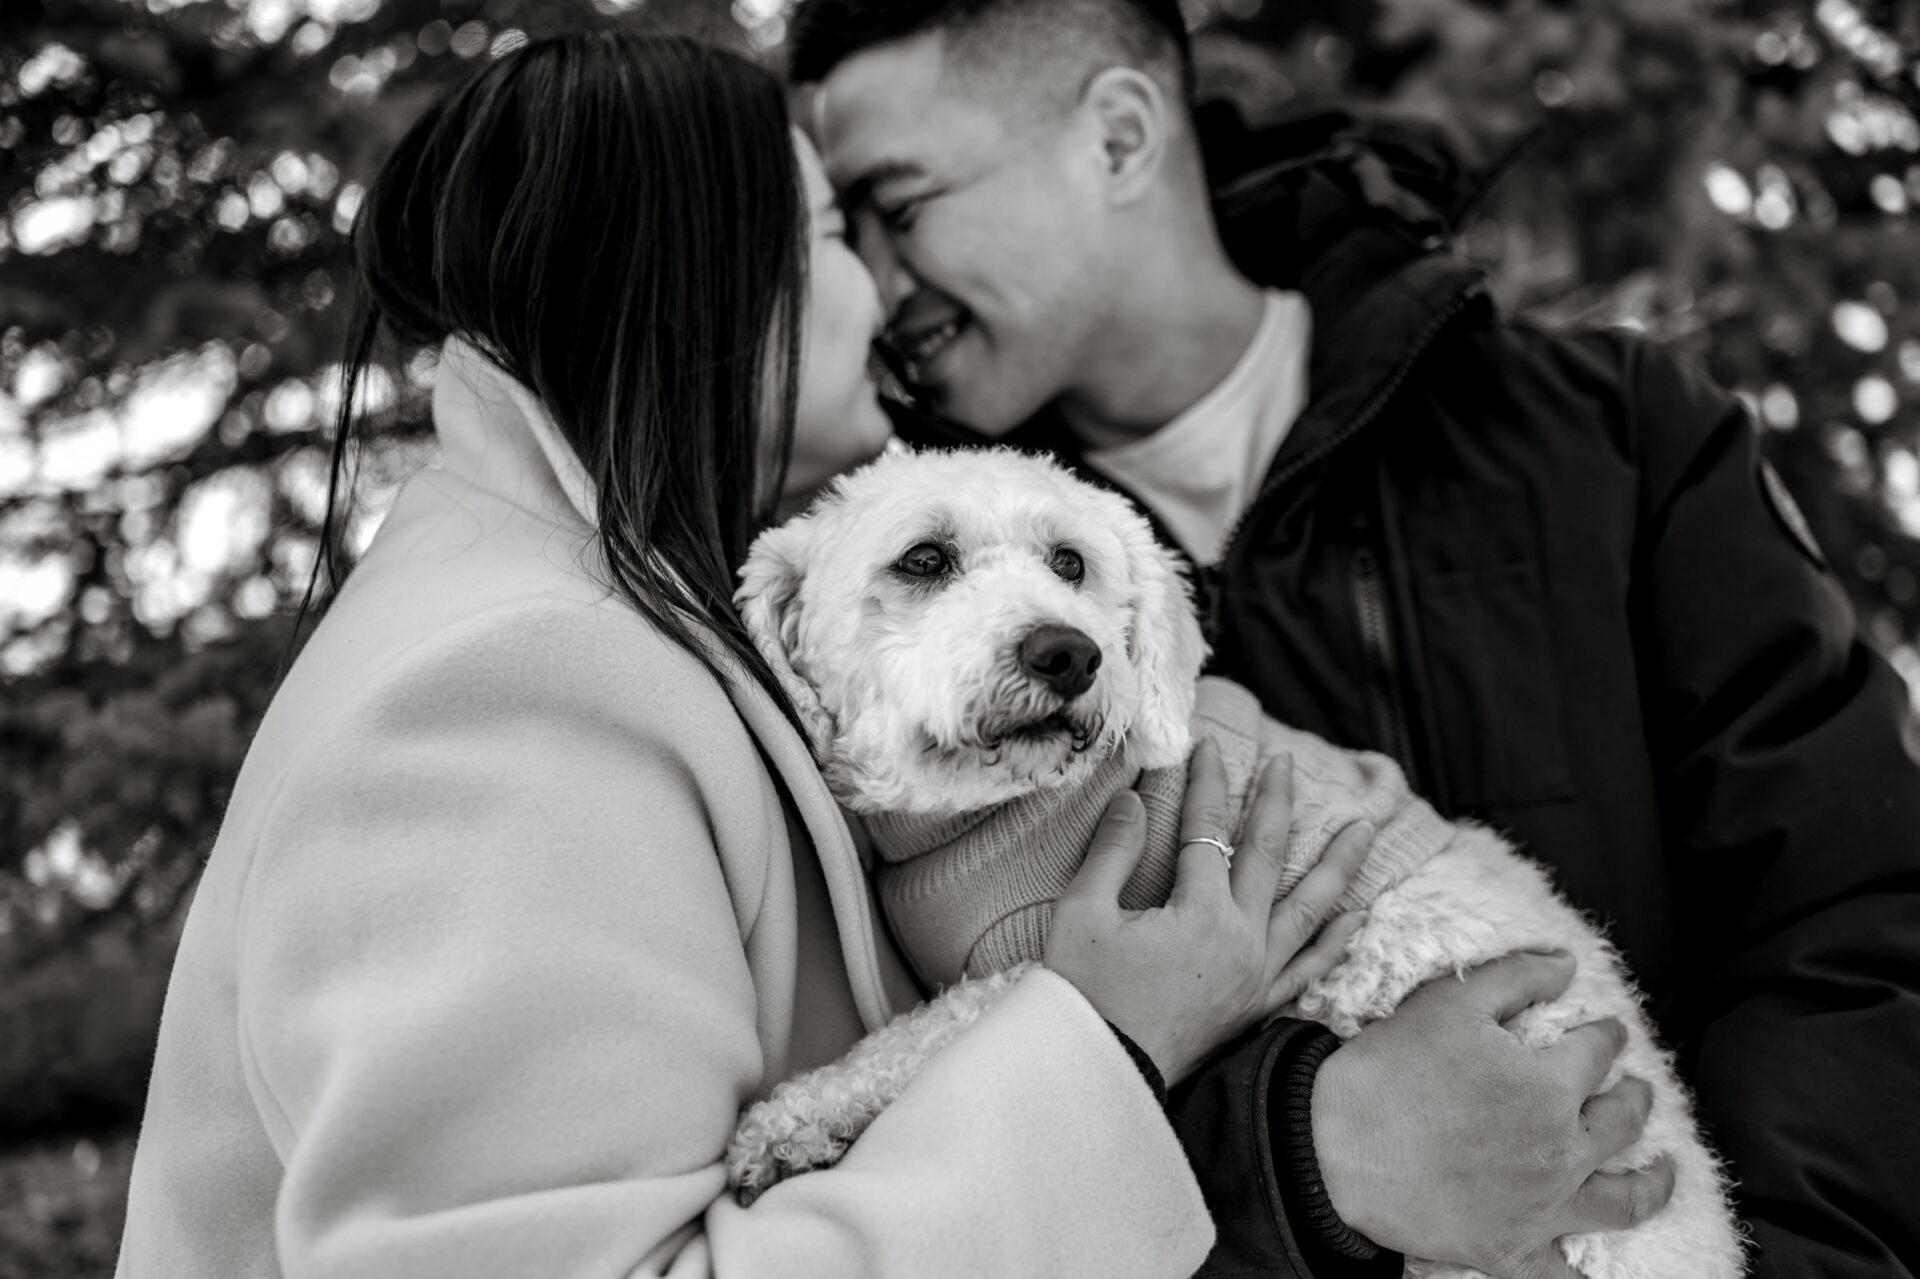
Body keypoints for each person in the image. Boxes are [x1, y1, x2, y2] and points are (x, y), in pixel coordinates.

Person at [112, 30, 1383, 1278]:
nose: (887, 294)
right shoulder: (499, 698)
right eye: (836, 236)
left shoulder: (602, 606)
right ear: (703, 274)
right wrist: (1113, 1038)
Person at [786, 1, 1920, 1276]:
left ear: (1114, 138)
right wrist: (1301, 1164)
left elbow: (1853, 914)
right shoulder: (888, 593)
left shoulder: (1615, 436)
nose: (873, 283)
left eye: (902, 204)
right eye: (844, 231)